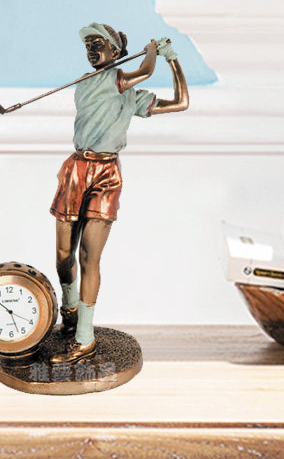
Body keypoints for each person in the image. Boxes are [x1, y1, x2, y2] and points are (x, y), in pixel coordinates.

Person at [49, 22, 189, 364]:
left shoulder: (126, 93)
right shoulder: (92, 81)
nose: (91, 49)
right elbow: (144, 70)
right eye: (88, 45)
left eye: (98, 43)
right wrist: (154, 52)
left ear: (115, 50)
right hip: (76, 170)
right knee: (64, 256)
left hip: (107, 175)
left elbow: (181, 102)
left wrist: (172, 59)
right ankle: (70, 310)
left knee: (89, 257)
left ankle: (84, 338)